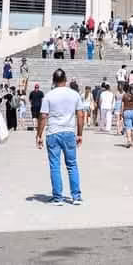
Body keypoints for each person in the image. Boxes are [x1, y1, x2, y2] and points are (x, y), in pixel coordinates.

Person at [36, 68, 84, 206]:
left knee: (55, 165)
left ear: (53, 80)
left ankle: (58, 197)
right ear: (66, 79)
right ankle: (76, 196)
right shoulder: (74, 95)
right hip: (69, 132)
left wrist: (39, 135)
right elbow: (80, 115)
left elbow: (43, 116)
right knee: (72, 165)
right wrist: (80, 134)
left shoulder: (49, 96)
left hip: (53, 132)